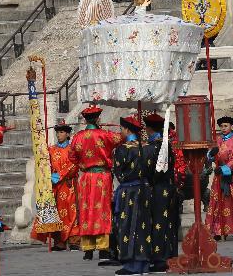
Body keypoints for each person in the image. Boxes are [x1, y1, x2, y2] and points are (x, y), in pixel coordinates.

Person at [69, 106, 123, 261]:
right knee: (102, 210)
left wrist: (83, 164)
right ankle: (103, 247)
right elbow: (122, 138)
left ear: (85, 120)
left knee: (86, 211)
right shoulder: (105, 134)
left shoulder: (78, 137)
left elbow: (72, 157)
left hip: (85, 178)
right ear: (98, 118)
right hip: (102, 177)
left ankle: (88, 248)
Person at [32, 121, 79, 251]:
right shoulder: (51, 150)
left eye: (62, 132)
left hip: (70, 185)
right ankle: (59, 241)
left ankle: (74, 239)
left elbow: (75, 165)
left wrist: (61, 174)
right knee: (57, 213)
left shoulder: (73, 149)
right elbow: (45, 165)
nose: (59, 135)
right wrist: (48, 175)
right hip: (55, 187)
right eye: (58, 132)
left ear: (68, 134)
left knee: (72, 212)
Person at [112, 115, 149, 276]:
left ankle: (131, 265)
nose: (120, 132)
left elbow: (119, 174)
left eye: (121, 129)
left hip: (129, 192)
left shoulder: (123, 149)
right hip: (145, 190)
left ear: (127, 129)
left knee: (127, 226)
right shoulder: (148, 147)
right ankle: (144, 265)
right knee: (143, 226)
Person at [143, 114, 178, 272]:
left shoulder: (152, 147)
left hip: (156, 189)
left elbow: (150, 172)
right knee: (168, 223)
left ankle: (159, 259)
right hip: (168, 188)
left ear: (148, 128)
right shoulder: (166, 145)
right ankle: (169, 255)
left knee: (157, 223)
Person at [206, 116, 233, 241]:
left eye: (226, 126)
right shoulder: (217, 140)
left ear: (231, 127)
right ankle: (217, 230)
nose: (223, 128)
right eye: (221, 126)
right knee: (217, 201)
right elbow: (210, 156)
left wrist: (225, 169)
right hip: (219, 175)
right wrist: (211, 154)